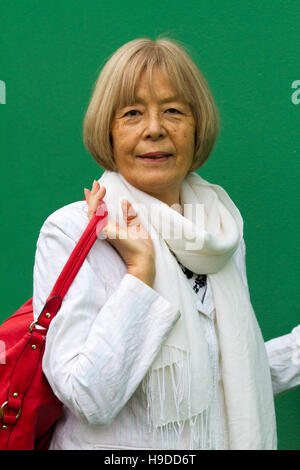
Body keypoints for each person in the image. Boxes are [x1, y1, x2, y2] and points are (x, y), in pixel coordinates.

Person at [32, 38, 277, 450]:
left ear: (197, 125)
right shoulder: (74, 230)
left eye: (173, 111)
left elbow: (231, 371)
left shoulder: (219, 233)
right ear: (106, 130)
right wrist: (140, 273)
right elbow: (87, 396)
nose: (154, 129)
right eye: (131, 113)